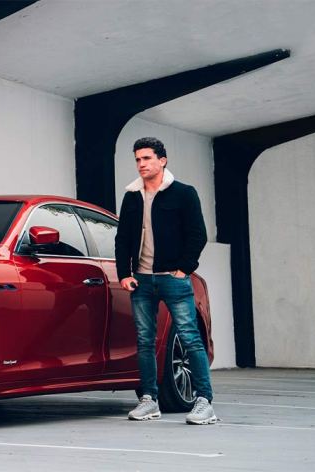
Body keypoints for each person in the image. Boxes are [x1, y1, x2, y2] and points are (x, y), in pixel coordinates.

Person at [114, 137, 217, 425]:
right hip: (142, 281)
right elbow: (122, 239)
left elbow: (197, 234)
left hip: (173, 279)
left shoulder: (183, 193)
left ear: (162, 160)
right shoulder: (132, 196)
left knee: (190, 338)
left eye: (147, 158)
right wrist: (124, 273)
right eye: (138, 159)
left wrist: (184, 269)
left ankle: (204, 402)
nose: (141, 164)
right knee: (145, 341)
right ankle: (149, 400)